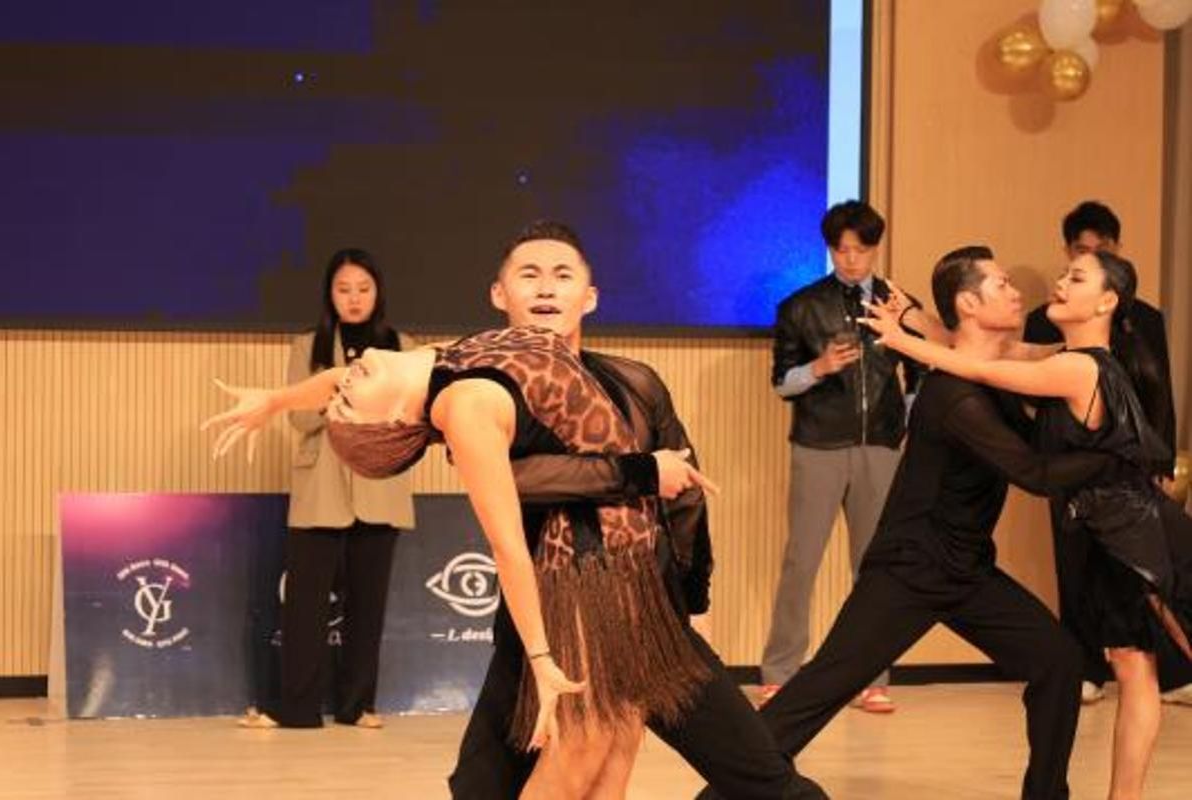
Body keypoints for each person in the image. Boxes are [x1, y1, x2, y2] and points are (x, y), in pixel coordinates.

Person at [204, 322, 717, 797]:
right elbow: (506, 546)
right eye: (346, 403)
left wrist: (274, 401)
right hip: (591, 562)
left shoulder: (435, 362)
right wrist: (542, 662)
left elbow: (336, 377)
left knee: (618, 743)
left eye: (337, 399)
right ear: (392, 422)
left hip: (632, 548)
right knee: (583, 749)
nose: (342, 385)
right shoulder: (465, 409)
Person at [448, 220, 828, 800]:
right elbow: (512, 482)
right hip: (543, 624)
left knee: (765, 780)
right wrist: (640, 472)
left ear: (590, 297)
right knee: (484, 788)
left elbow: (687, 493)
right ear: (500, 294)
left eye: (562, 275)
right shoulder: (482, 389)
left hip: (651, 619)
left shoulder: (635, 382)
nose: (546, 287)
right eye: (529, 275)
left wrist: (692, 600)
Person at [755, 246, 1123, 800]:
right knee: (819, 692)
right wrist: (1119, 455)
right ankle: (724, 788)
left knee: (1060, 663)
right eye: (1002, 285)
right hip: (909, 570)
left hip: (967, 570)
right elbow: (1035, 473)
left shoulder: (993, 375)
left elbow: (1038, 359)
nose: (1017, 293)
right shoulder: (955, 396)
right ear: (969, 304)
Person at [864, 249, 1192, 800]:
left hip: (1141, 537)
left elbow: (981, 368)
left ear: (1106, 302)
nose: (1060, 283)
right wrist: (917, 320)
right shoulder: (1065, 357)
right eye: (1064, 273)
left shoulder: (1078, 369)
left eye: (1077, 278)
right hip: (1112, 538)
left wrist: (900, 341)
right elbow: (991, 351)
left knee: (1139, 666)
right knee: (1134, 668)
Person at [1022, 200, 1191, 707]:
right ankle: (1087, 667)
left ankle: (1172, 672)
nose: (1074, 273)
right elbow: (1023, 380)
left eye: (1099, 252)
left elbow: (1158, 394)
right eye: (1078, 253)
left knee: (1151, 578)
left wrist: (1162, 463)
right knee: (1076, 569)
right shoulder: (1045, 319)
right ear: (1067, 250)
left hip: (1130, 466)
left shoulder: (1145, 318)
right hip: (1070, 463)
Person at [240, 248, 416, 730]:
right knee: (304, 605)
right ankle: (295, 707)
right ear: (329, 295)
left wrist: (349, 400)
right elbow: (299, 418)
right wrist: (343, 392)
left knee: (368, 605)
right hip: (320, 487)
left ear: (377, 293)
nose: (354, 298)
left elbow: (410, 416)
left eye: (363, 289)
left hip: (380, 487)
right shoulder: (307, 346)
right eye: (344, 289)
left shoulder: (402, 346)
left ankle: (358, 706)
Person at [764, 200, 919, 711]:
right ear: (830, 249)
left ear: (876, 249)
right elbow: (782, 383)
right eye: (841, 249)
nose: (851, 259)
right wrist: (821, 366)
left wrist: (906, 426)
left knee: (875, 569)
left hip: (881, 447)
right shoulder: (800, 307)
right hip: (818, 445)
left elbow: (920, 375)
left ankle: (873, 678)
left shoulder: (899, 304)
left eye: (861, 249)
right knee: (801, 561)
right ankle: (780, 672)